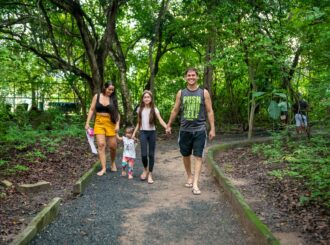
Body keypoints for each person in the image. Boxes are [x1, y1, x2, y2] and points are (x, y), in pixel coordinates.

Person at [166, 67, 215, 195]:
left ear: (197, 77)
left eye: (193, 75)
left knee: (198, 156)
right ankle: (189, 176)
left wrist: (212, 128)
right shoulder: (181, 93)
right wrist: (169, 124)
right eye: (189, 75)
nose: (191, 77)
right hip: (184, 130)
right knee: (185, 154)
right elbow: (175, 110)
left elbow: (210, 111)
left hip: (199, 130)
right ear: (185, 77)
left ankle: (195, 183)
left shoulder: (204, 93)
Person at [85, 81, 120, 176]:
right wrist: (87, 123)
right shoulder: (97, 96)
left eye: (112, 90)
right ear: (104, 88)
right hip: (99, 122)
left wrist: (117, 125)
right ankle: (104, 168)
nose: (111, 91)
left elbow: (117, 113)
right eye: (109, 89)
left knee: (113, 146)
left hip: (110, 123)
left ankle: (112, 163)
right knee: (101, 144)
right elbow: (92, 109)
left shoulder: (113, 99)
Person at [132, 90, 167, 184]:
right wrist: (134, 133)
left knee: (151, 154)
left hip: (152, 133)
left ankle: (150, 174)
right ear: (142, 99)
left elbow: (160, 120)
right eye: (145, 97)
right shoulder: (140, 109)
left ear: (151, 99)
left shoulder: (154, 109)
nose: (146, 98)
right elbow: (138, 123)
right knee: (143, 155)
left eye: (148, 97)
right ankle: (145, 169)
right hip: (143, 132)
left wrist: (167, 127)